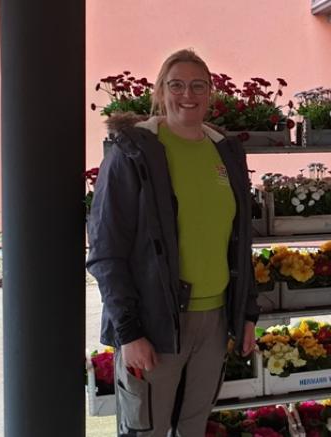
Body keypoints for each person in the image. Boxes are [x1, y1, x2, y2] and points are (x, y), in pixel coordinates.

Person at [87, 48, 259, 436]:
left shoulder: (224, 151)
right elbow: (106, 251)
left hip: (214, 322)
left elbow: (239, 240)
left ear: (210, 92)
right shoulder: (133, 152)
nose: (187, 94)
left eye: (198, 85)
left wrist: (247, 314)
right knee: (146, 430)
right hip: (154, 323)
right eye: (176, 84)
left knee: (193, 427)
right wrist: (129, 332)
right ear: (161, 90)